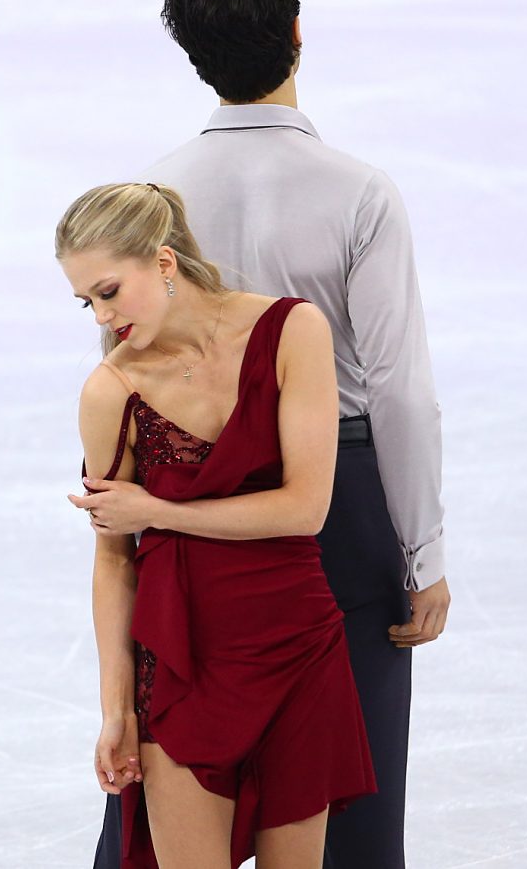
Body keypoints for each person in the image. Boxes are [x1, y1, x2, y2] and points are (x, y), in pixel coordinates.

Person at [93, 0, 451, 869]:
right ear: (298, 33)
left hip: (186, 498)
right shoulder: (360, 194)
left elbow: (124, 365)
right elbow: (401, 387)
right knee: (350, 801)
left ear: (195, 58)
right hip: (336, 502)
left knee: (166, 787)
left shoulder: (155, 198)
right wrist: (422, 552)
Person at [59, 182, 378, 869]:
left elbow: (303, 508)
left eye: (110, 291)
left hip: (297, 645)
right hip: (184, 661)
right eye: (88, 301)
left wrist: (160, 513)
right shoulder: (111, 391)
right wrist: (115, 709)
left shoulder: (293, 330)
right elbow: (115, 560)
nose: (103, 317)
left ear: (164, 263)